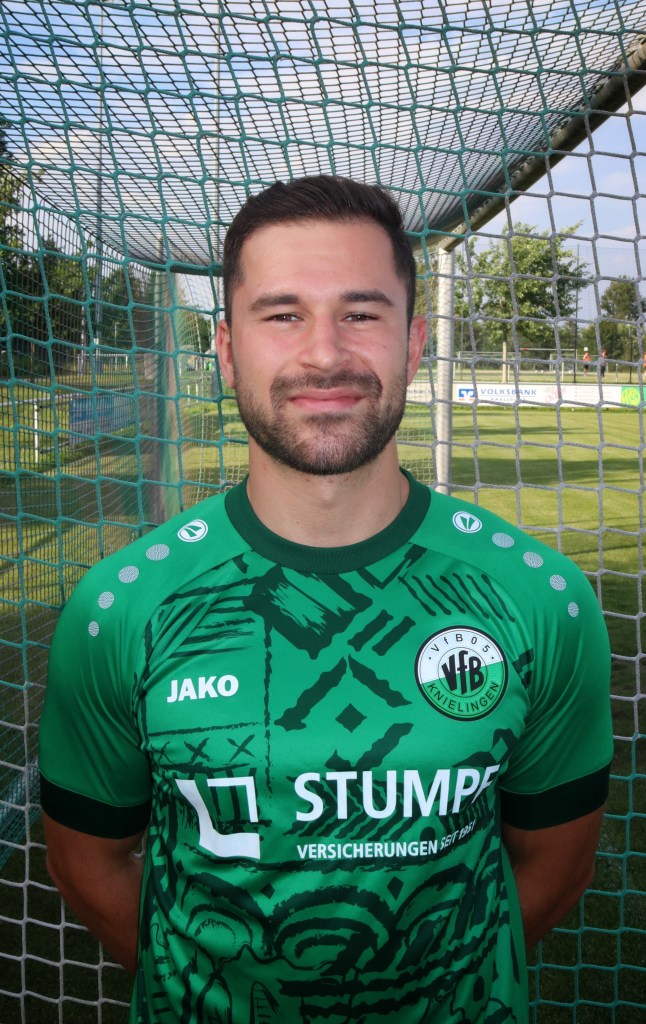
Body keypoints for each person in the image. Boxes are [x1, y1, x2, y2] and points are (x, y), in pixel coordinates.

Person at [40, 175, 613, 1024]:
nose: (324, 354)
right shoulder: (122, 608)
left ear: (413, 342)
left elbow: (555, 866)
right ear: (226, 350)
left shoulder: (539, 597)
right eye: (282, 315)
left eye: (361, 313)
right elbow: (88, 861)